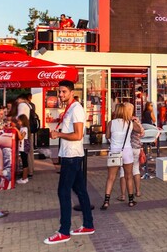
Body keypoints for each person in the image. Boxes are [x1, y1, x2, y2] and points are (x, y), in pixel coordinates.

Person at [44, 80, 94, 245]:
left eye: (64, 92)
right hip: (71, 155)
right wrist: (59, 133)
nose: (60, 95)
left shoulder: (76, 109)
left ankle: (64, 231)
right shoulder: (69, 108)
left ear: (72, 92)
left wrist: (58, 135)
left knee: (63, 192)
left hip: (72, 156)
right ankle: (88, 224)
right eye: (59, 92)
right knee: (80, 190)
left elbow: (78, 135)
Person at [101, 102, 136, 209]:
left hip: (114, 151)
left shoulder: (111, 123)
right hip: (127, 151)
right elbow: (140, 130)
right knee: (128, 176)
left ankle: (106, 201)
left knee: (111, 177)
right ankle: (130, 200)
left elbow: (107, 136)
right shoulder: (130, 123)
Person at [119, 102, 144, 200]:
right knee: (136, 169)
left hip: (126, 148)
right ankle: (137, 191)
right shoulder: (135, 120)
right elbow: (142, 133)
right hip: (137, 147)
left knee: (123, 171)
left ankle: (123, 195)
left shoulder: (123, 121)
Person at [16, 94, 35, 178]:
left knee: (25, 158)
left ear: (21, 99)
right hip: (30, 130)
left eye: (17, 100)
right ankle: (30, 171)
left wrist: (16, 128)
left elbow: (20, 117)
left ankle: (26, 175)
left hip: (25, 138)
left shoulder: (22, 105)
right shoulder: (30, 105)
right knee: (30, 153)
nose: (16, 102)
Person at [16, 114, 30, 185]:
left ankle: (25, 178)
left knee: (25, 162)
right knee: (24, 161)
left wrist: (16, 130)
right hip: (22, 147)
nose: (18, 122)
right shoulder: (22, 128)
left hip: (24, 147)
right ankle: (24, 177)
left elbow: (21, 137)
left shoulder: (25, 129)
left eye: (19, 121)